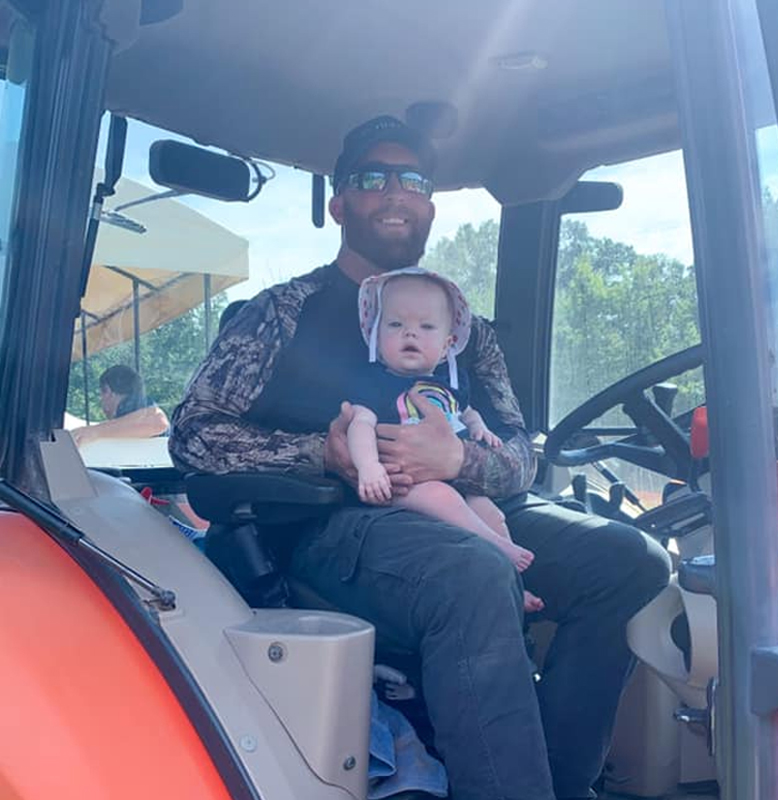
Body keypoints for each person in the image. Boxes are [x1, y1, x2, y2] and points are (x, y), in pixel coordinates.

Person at [169, 115, 671, 800]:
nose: (395, 192)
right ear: (339, 203)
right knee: (469, 572)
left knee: (629, 558)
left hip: (467, 506)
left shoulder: (466, 330)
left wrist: (459, 460)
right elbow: (195, 433)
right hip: (336, 525)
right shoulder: (284, 311)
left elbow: (521, 453)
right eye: (373, 178)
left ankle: (560, 783)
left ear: (430, 206)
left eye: (414, 180)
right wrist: (324, 453)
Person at [349, 267, 542, 611]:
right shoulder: (376, 384)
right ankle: (500, 549)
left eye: (426, 327)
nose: (410, 332)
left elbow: (465, 412)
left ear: (446, 345)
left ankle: (516, 586)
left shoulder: (453, 383)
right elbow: (360, 425)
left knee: (491, 512)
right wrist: (368, 469)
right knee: (442, 498)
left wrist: (480, 429)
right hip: (404, 482)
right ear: (377, 337)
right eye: (395, 325)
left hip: (456, 478)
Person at [70, 364, 169, 448]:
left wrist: (93, 432)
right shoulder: (128, 422)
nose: (101, 401)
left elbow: (159, 422)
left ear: (107, 391)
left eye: (101, 394)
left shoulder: (136, 406)